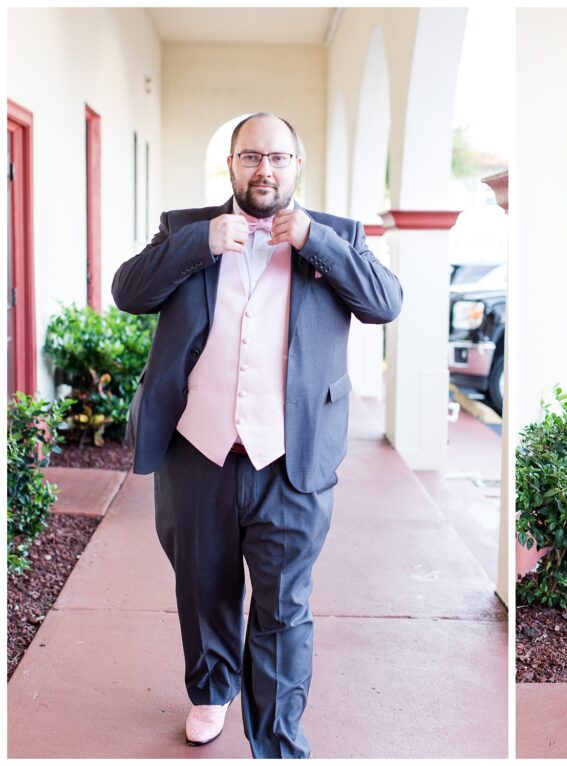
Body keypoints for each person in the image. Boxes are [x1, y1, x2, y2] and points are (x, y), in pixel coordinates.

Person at [111, 112, 402, 757]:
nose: (263, 169)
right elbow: (127, 291)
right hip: (199, 454)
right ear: (232, 164)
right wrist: (196, 247)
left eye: (276, 157)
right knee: (203, 588)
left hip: (291, 459)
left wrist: (317, 244)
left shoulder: (337, 237)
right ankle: (212, 692)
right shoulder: (185, 230)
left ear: (297, 165)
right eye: (250, 156)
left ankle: (274, 737)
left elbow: (385, 303)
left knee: (282, 607)